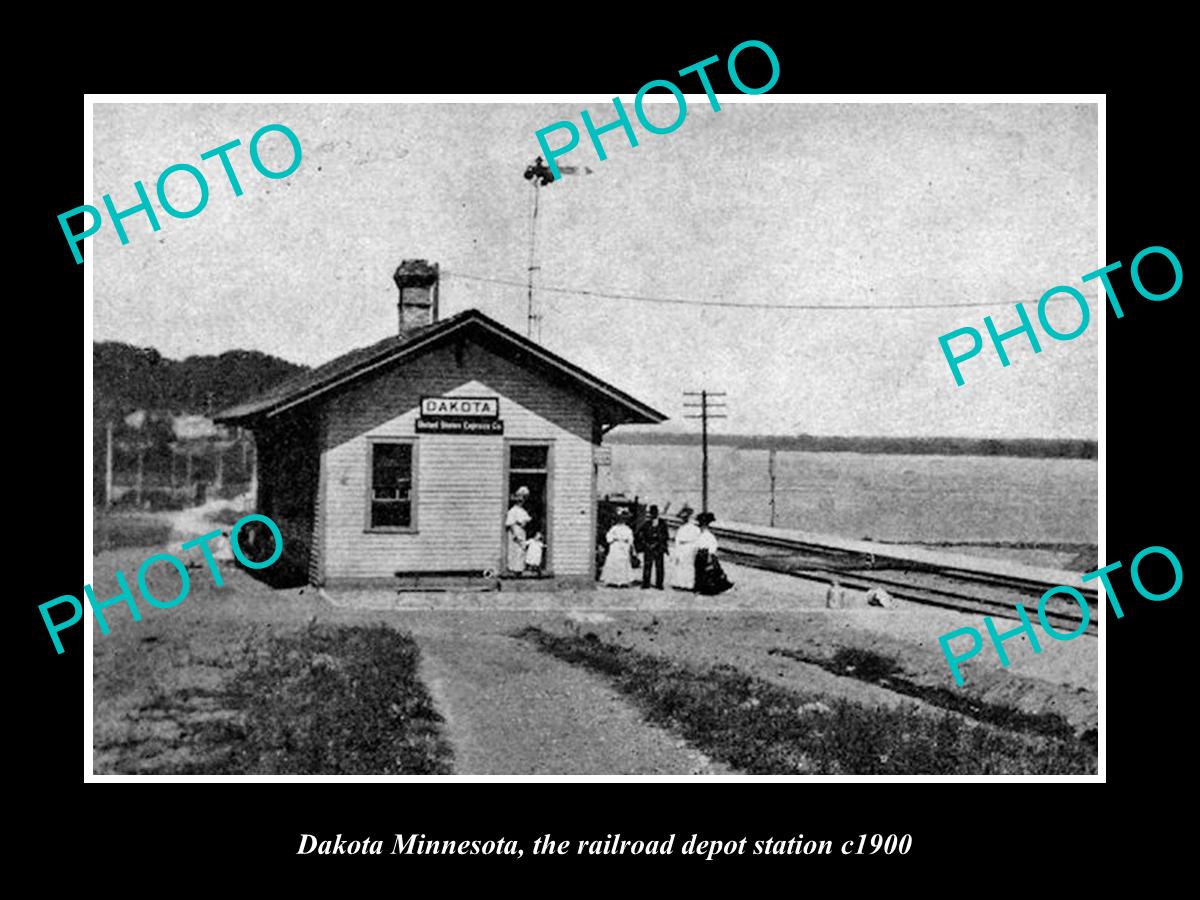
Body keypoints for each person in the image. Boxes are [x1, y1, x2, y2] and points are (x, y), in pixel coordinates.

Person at [694, 511, 733, 596]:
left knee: (707, 572)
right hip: (705, 554)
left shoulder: (705, 534)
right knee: (706, 571)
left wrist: (709, 555)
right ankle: (706, 587)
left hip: (704, 554)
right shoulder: (706, 535)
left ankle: (706, 587)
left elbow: (707, 546)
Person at [635, 504, 670, 590]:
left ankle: (659, 584)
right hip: (648, 546)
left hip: (658, 547)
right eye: (652, 513)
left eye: (655, 512)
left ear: (657, 513)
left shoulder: (662, 523)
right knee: (647, 565)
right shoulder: (646, 524)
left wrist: (659, 543)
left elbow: (666, 535)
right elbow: (638, 534)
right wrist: (645, 543)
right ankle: (646, 583)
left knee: (659, 566)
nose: (653, 514)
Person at [600, 509, 636, 586]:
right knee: (614, 562)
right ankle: (613, 581)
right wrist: (613, 540)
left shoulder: (627, 529)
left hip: (624, 547)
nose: (622, 520)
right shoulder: (614, 528)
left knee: (623, 562)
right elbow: (609, 536)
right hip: (615, 546)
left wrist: (628, 544)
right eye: (620, 519)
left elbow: (630, 539)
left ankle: (623, 581)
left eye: (623, 519)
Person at [671, 505, 700, 590]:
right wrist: (676, 552)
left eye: (686, 517)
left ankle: (689, 584)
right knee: (681, 566)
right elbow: (677, 541)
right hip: (682, 548)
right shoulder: (681, 528)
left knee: (689, 567)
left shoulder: (695, 528)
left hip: (690, 548)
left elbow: (697, 540)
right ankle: (680, 583)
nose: (684, 519)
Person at [506, 486, 532, 574]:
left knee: (521, 551)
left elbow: (526, 520)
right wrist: (515, 535)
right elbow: (511, 523)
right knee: (516, 550)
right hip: (516, 531)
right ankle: (514, 570)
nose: (522, 502)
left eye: (523, 499)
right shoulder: (512, 511)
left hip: (521, 531)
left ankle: (520, 569)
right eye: (520, 500)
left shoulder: (522, 511)